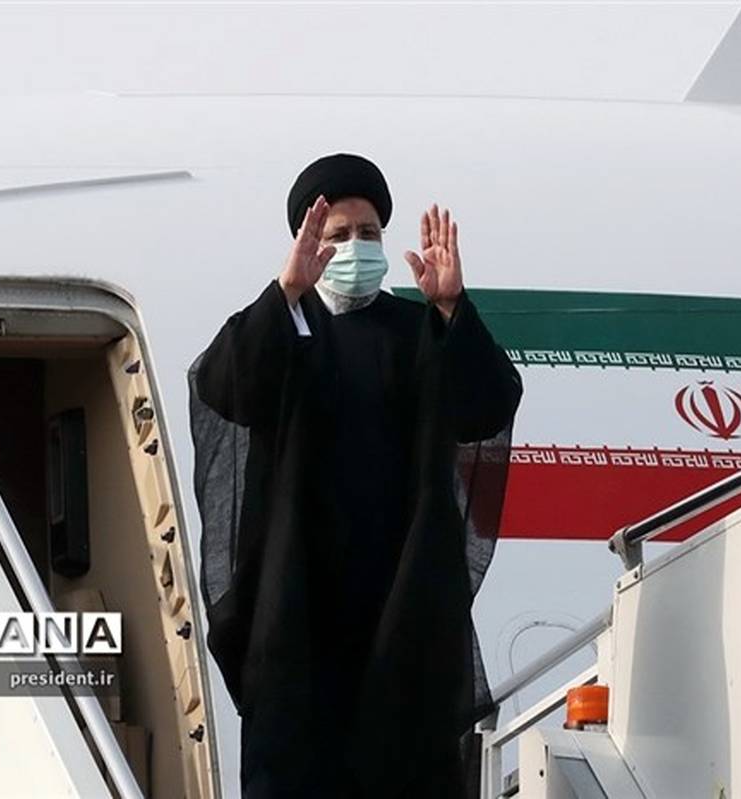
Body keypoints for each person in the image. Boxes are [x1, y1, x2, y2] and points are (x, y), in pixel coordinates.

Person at [188, 152, 522, 798]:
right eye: (338, 234)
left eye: (368, 232)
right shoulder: (283, 328)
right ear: (307, 242)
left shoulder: (416, 331)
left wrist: (452, 309)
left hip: (401, 618)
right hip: (296, 620)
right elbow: (223, 387)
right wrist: (286, 291)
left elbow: (486, 406)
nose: (355, 246)